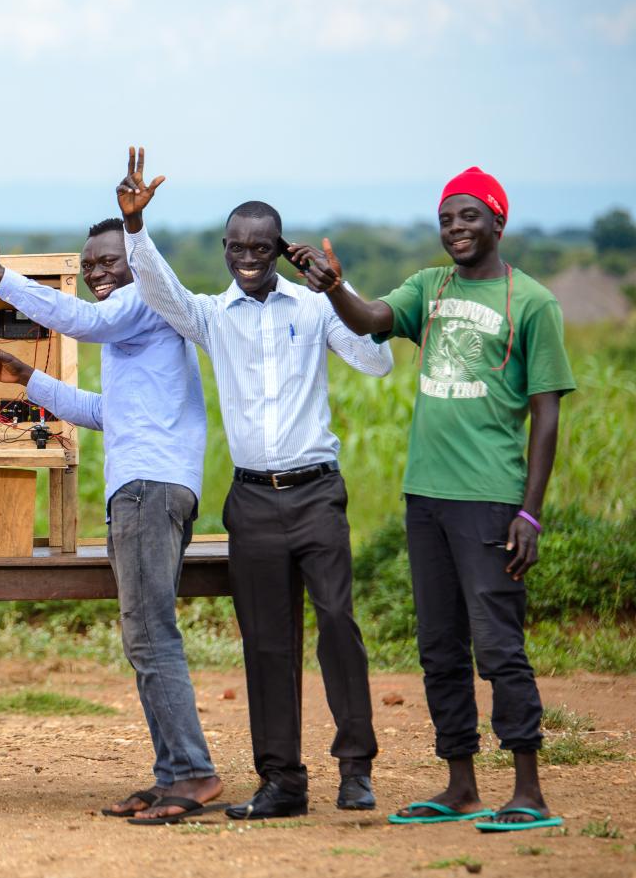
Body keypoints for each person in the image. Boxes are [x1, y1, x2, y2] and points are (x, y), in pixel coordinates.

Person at [117, 147, 391, 819]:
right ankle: (283, 782)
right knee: (267, 641)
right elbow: (161, 292)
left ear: (280, 248)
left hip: (316, 492)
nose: (248, 255)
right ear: (224, 248)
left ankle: (355, 768)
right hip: (253, 500)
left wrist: (337, 288)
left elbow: (377, 359)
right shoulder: (213, 316)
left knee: (336, 625)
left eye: (260, 246)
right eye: (237, 245)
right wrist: (134, 229)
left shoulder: (314, 307)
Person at [302, 167, 575, 832]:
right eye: (447, 218)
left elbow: (546, 416)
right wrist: (336, 286)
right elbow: (370, 321)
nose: (455, 227)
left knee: (498, 644)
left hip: (490, 500)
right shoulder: (430, 287)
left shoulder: (532, 302)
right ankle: (459, 783)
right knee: (440, 645)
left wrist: (530, 510)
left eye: (469, 216)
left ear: (498, 222)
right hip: (425, 496)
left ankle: (528, 790)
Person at [0, 225, 221, 823]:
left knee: (151, 637)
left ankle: (195, 773)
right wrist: (28, 379)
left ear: (138, 264)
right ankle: (173, 773)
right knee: (146, 638)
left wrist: (1, 277)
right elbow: (105, 412)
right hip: (148, 487)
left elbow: (82, 322)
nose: (98, 273)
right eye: (89, 265)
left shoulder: (145, 300)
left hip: (147, 491)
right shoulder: (136, 326)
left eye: (110, 262)